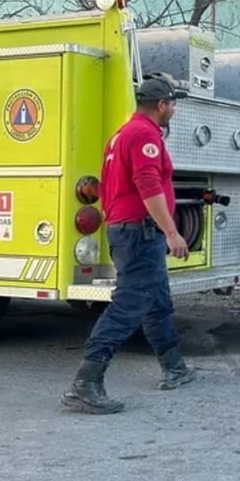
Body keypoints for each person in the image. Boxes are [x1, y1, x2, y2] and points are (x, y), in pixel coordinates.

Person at [60, 73, 197, 415]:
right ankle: (86, 383)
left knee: (156, 301)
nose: (175, 109)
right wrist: (171, 231)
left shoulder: (123, 134)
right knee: (129, 305)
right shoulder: (142, 134)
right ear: (161, 105)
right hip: (139, 232)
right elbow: (147, 184)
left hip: (130, 229)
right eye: (173, 103)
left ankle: (174, 367)